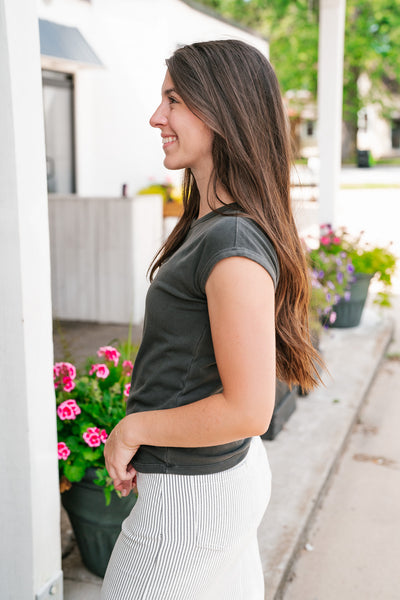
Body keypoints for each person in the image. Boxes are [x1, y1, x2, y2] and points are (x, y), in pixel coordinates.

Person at [101, 39, 322, 600]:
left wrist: (132, 428)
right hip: (205, 486)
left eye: (173, 101)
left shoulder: (230, 239)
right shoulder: (216, 226)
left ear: (221, 110)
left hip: (189, 497)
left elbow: (250, 409)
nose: (157, 118)